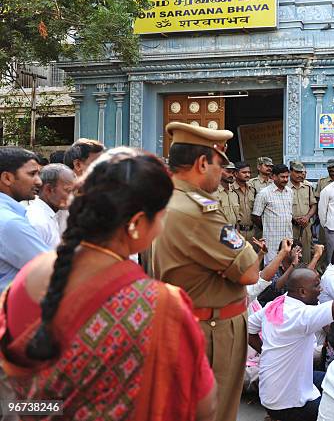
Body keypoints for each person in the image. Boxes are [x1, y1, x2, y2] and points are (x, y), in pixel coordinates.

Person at [0, 150, 217, 420]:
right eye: (162, 217)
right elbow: (203, 406)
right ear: (137, 223)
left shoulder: (26, 277)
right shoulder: (161, 304)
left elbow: (16, 403)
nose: (162, 228)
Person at [152, 122, 261, 421]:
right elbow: (250, 270)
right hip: (212, 330)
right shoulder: (198, 210)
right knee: (216, 411)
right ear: (202, 163)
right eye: (219, 165)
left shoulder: (163, 200)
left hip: (183, 321)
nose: (223, 173)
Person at [247, 252, 334, 421]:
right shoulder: (301, 315)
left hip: (271, 394)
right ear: (302, 292)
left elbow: (249, 328)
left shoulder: (277, 304)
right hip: (288, 403)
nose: (320, 289)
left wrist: (266, 351)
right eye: (316, 286)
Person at [0, 147, 49, 291]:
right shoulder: (10, 223)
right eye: (32, 174)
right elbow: (49, 270)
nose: (39, 182)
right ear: (7, 178)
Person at [257, 240, 325, 306]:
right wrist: (293, 264)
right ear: (286, 252)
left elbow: (306, 278)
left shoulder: (300, 266)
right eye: (297, 252)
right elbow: (276, 287)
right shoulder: (273, 267)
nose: (300, 256)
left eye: (301, 252)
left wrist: (317, 256)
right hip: (270, 307)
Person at [26, 163, 76, 248]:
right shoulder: (37, 222)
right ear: (48, 190)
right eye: (69, 191)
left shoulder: (59, 213)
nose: (73, 196)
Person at [253, 164, 294, 265]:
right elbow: (255, 216)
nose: (285, 179)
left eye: (287, 177)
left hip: (287, 237)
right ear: (274, 177)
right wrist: (267, 229)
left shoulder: (289, 192)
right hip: (271, 240)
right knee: (271, 268)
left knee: (286, 265)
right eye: (282, 177)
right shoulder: (264, 193)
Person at [289, 161, 317, 263]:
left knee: (305, 254)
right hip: (290, 225)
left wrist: (307, 217)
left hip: (305, 225)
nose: (300, 175)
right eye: (297, 172)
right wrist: (293, 218)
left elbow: (313, 205)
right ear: (290, 172)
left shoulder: (308, 187)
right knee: (290, 253)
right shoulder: (285, 188)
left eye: (302, 172)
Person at [233, 161, 257, 242]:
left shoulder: (252, 190)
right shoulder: (230, 190)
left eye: (249, 172)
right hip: (237, 232)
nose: (247, 175)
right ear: (236, 174)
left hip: (252, 232)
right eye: (244, 172)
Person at [216, 162, 240, 226]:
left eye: (233, 173)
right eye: (228, 172)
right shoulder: (212, 194)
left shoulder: (234, 194)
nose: (231, 175)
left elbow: (237, 220)